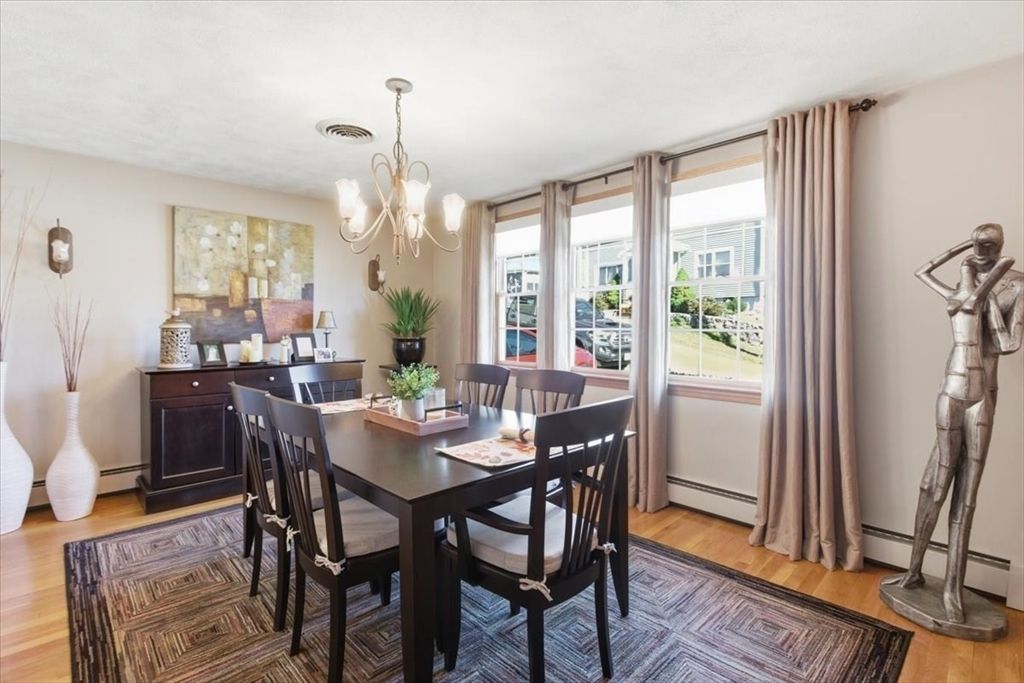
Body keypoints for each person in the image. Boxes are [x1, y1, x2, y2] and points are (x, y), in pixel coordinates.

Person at [883, 223, 1019, 624]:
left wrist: (986, 301)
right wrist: (965, 262)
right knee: (937, 480)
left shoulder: (1015, 284)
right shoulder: (961, 287)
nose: (979, 250)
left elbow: (1008, 344)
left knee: (968, 493)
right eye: (974, 244)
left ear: (999, 247)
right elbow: (923, 271)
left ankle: (952, 588)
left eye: (986, 245)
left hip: (984, 394)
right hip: (954, 386)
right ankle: (913, 570)